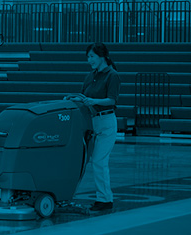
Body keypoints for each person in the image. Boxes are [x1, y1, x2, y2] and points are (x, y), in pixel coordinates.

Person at [67, 42, 121, 211]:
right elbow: (84, 96)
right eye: (88, 57)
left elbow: (111, 100)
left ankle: (105, 199)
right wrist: (74, 98)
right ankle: (72, 196)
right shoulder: (90, 75)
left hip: (106, 122)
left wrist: (94, 101)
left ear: (102, 56)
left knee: (99, 161)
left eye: (91, 56)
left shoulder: (112, 75)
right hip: (91, 122)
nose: (89, 60)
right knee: (87, 161)